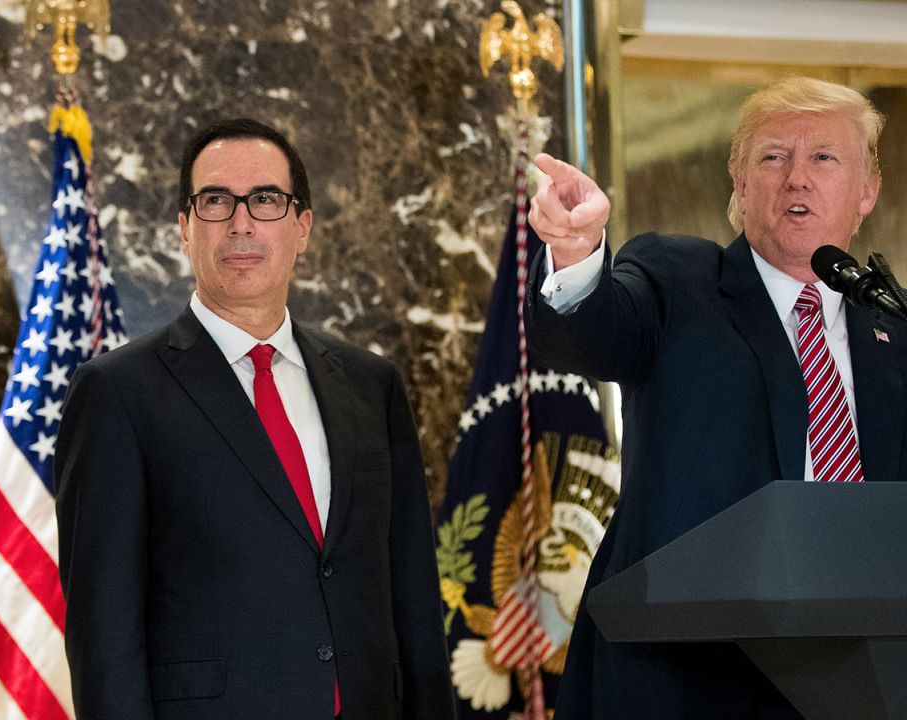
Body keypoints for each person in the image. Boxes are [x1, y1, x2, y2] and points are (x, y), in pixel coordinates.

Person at [525, 77, 907, 718]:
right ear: (738, 182)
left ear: (866, 190)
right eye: (772, 157)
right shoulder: (677, 278)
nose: (797, 179)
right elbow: (593, 336)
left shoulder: (892, 328)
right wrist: (575, 249)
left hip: (860, 677)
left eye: (823, 157)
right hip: (684, 676)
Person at [54, 118, 454, 719]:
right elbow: (104, 636)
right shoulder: (117, 393)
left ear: (303, 227)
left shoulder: (371, 386)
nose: (241, 222)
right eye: (216, 201)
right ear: (184, 231)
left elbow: (414, 598)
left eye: (265, 199)